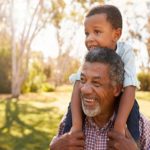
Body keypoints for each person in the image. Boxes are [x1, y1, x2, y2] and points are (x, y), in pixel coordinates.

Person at [63, 4, 140, 143]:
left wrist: (119, 125)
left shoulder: (125, 52)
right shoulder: (90, 57)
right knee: (71, 108)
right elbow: (77, 87)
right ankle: (67, 140)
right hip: (96, 101)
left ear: (116, 34)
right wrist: (76, 126)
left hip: (121, 98)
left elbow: (130, 87)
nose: (89, 39)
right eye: (87, 33)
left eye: (97, 32)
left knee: (133, 107)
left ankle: (134, 144)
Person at [50, 48, 150, 150]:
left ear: (116, 89)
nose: (84, 89)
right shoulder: (69, 123)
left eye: (96, 83)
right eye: (83, 80)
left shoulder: (141, 127)